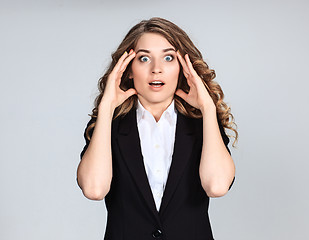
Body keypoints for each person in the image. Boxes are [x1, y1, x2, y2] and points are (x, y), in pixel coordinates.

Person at [77, 17, 238, 240]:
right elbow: (94, 190)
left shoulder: (203, 124)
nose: (156, 69)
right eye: (144, 58)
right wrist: (106, 107)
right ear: (129, 69)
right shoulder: (108, 125)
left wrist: (208, 109)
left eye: (168, 58)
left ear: (183, 68)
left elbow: (217, 186)